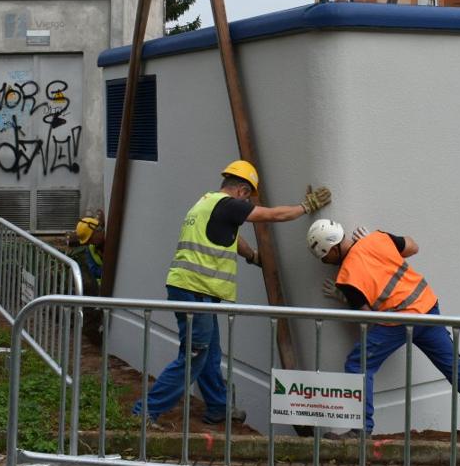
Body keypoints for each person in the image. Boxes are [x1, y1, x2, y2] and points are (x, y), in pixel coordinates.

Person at [132, 160, 332, 427]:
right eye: (248, 197)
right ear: (243, 192)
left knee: (210, 353)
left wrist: (253, 257)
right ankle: (145, 412)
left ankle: (218, 407)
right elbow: (273, 215)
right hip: (195, 290)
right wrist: (306, 207)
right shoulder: (227, 205)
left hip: (193, 289)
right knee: (194, 356)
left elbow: (230, 237)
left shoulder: (206, 204)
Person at [307, 219, 460, 440]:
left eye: (325, 257)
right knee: (455, 367)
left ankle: (361, 431)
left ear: (332, 248)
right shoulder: (376, 238)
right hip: (427, 309)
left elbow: (368, 317)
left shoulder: (346, 277)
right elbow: (412, 246)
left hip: (399, 322)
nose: (326, 262)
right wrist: (379, 250)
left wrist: (344, 297)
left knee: (357, 364)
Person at [68, 214, 105, 346]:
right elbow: (93, 269)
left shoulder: (110, 242)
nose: (91, 243)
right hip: (101, 288)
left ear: (97, 230)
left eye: (91, 239)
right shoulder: (90, 248)